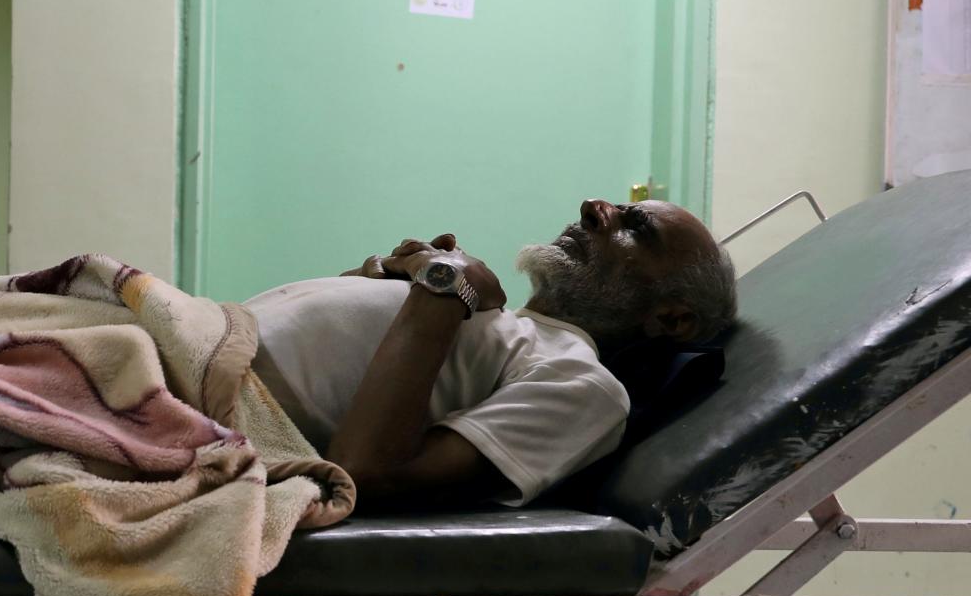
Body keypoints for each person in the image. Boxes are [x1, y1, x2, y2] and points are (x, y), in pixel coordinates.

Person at [246, 196, 738, 512]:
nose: (592, 207)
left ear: (673, 319)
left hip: (222, 400)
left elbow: (365, 473)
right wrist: (386, 273)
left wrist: (444, 285)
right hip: (201, 347)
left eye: (637, 227)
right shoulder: (505, 325)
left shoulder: (585, 386)